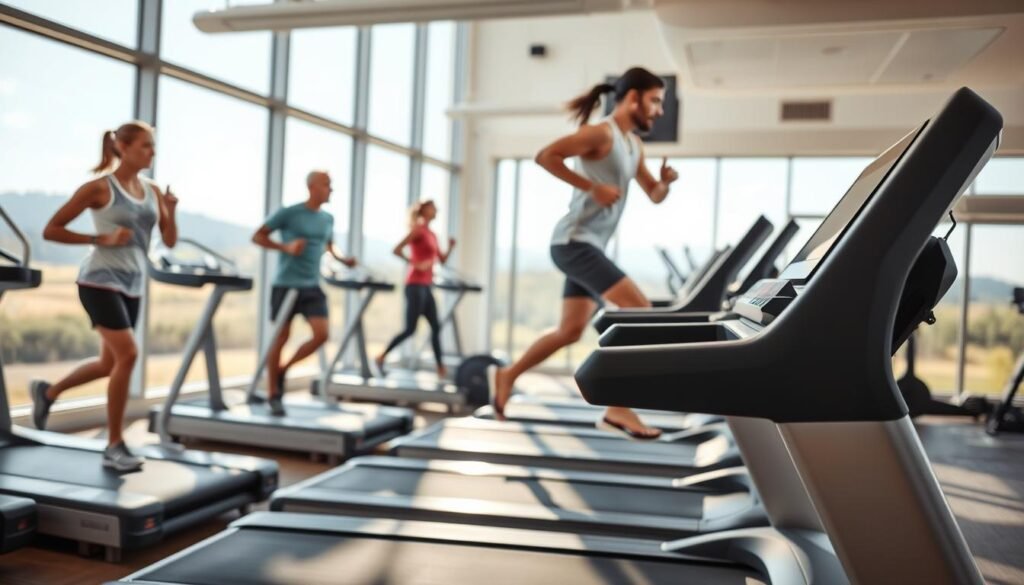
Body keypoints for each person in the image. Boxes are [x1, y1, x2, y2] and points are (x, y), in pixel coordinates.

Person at [490, 67, 679, 439]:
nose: (659, 111)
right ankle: (618, 408)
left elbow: (653, 195)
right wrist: (592, 187)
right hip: (573, 244)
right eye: (655, 101)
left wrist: (666, 185)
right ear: (633, 98)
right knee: (639, 312)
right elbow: (546, 156)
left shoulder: (632, 144)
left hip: (585, 247)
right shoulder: (600, 133)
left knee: (570, 330)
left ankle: (507, 374)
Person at [31, 121, 179, 471]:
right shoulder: (99, 188)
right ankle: (115, 444)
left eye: (153, 146)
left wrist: (171, 209)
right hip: (99, 280)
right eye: (145, 145)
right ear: (123, 147)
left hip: (132, 283)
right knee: (129, 354)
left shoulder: (153, 190)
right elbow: (51, 229)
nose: (152, 152)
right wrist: (99, 239)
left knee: (110, 363)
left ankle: (48, 392)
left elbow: (169, 240)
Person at [252, 170, 356, 416]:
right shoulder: (289, 213)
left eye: (330, 185)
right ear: (311, 187)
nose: (330, 189)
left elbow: (329, 246)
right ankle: (272, 393)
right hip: (286, 284)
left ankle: (283, 369)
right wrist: (285, 246)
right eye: (326, 184)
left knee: (322, 335)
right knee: (281, 338)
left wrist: (344, 260)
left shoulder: (328, 218)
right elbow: (258, 236)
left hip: (311, 284)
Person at [374, 200, 455, 379]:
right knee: (410, 329)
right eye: (433, 207)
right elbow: (396, 249)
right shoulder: (418, 230)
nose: (436, 210)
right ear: (424, 210)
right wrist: (415, 263)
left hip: (427, 286)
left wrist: (450, 247)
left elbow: (441, 260)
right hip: (415, 285)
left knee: (435, 327)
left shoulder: (432, 234)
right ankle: (381, 356)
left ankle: (441, 369)